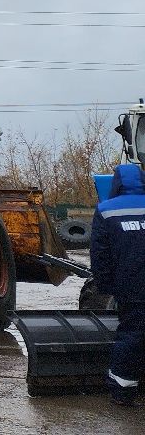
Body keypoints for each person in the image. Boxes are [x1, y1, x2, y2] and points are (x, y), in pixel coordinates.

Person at [91, 161, 145, 407]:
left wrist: (105, 285)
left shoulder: (106, 210)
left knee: (132, 334)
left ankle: (123, 390)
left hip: (132, 286)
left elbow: (100, 254)